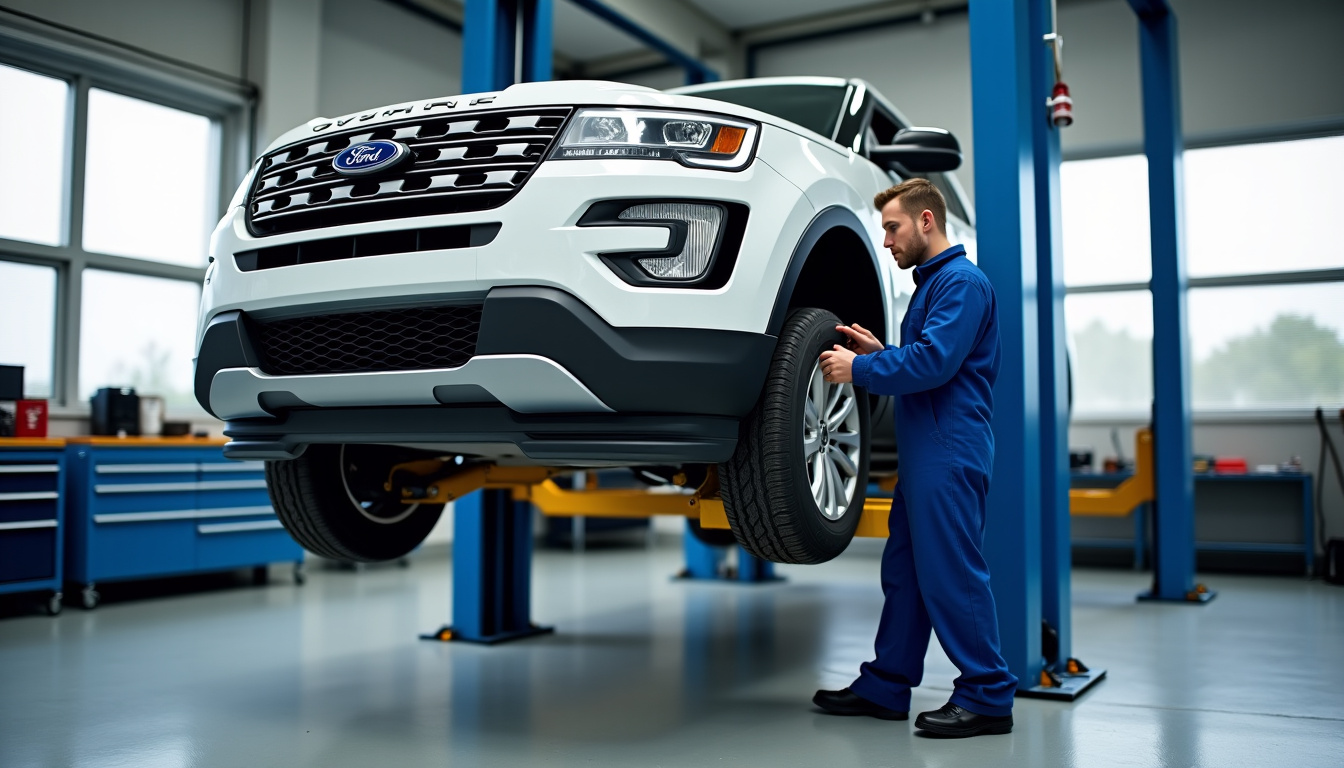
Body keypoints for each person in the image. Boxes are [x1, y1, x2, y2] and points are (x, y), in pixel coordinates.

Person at [812, 178, 1017, 738]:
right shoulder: (935, 286)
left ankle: (988, 694)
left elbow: (934, 365)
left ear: (926, 221)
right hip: (927, 452)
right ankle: (886, 684)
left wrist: (861, 370)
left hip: (949, 452)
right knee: (904, 574)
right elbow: (928, 359)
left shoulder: (962, 284)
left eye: (893, 227)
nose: (886, 241)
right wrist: (883, 354)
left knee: (952, 574)